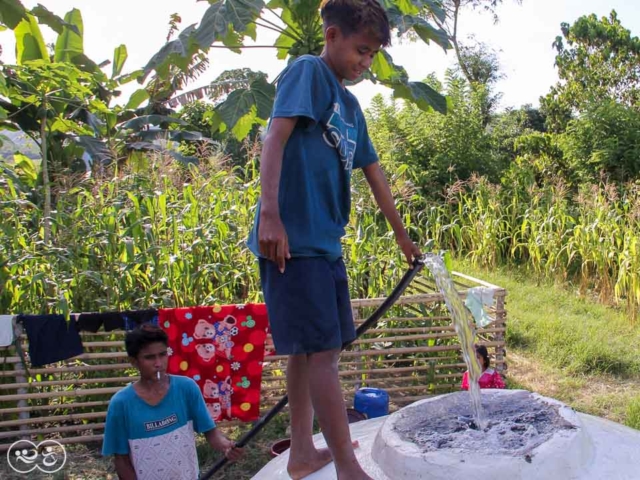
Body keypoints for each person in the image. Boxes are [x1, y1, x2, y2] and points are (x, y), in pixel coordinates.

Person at [246, 1, 422, 478]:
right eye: (361, 51)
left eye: (372, 55)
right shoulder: (308, 73)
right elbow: (275, 139)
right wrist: (270, 215)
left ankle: (302, 453)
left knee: (311, 352)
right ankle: (346, 465)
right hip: (292, 241)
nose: (365, 63)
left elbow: (374, 172)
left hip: (325, 244)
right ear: (331, 35)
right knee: (323, 354)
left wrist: (402, 236)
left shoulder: (350, 106)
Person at [102, 324, 243, 479]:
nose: (158, 363)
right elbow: (121, 460)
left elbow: (210, 432)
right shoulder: (121, 404)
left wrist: (226, 446)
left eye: (162, 355)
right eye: (149, 357)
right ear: (134, 362)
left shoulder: (186, 388)